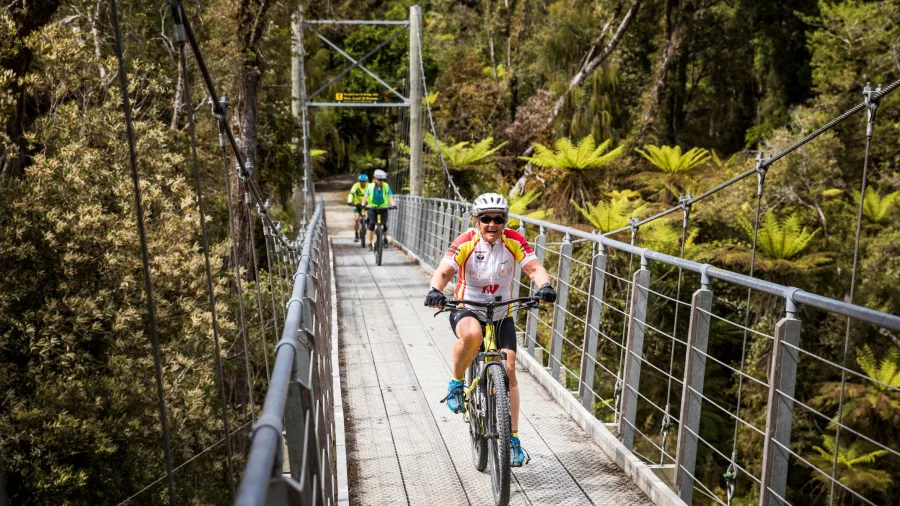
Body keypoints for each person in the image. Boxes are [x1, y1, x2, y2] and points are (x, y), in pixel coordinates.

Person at [424, 192, 557, 467]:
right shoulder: (466, 242)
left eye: (498, 219)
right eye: (486, 219)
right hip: (468, 307)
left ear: (505, 221)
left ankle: (513, 439)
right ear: (477, 220)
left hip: (501, 312)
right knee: (472, 336)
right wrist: (435, 290)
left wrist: (544, 286)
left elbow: (533, 268)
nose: (492, 224)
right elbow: (444, 271)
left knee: (508, 368)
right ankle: (456, 383)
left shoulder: (514, 241)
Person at [363, 169, 396, 250]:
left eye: (383, 180)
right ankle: (370, 243)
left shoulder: (386, 186)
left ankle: (385, 239)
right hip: (372, 208)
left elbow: (390, 197)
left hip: (383, 207)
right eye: (380, 179)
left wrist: (393, 204)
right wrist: (363, 205)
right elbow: (365, 198)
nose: (381, 181)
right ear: (375, 179)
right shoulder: (370, 186)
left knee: (384, 224)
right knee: (371, 224)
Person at [347, 174, 369, 242]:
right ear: (359, 181)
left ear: (366, 181)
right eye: (361, 181)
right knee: (356, 219)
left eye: (364, 181)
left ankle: (367, 223)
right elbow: (351, 193)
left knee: (370, 215)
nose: (362, 183)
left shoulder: (369, 186)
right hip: (357, 204)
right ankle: (356, 234)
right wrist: (350, 201)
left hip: (366, 204)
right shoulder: (356, 186)